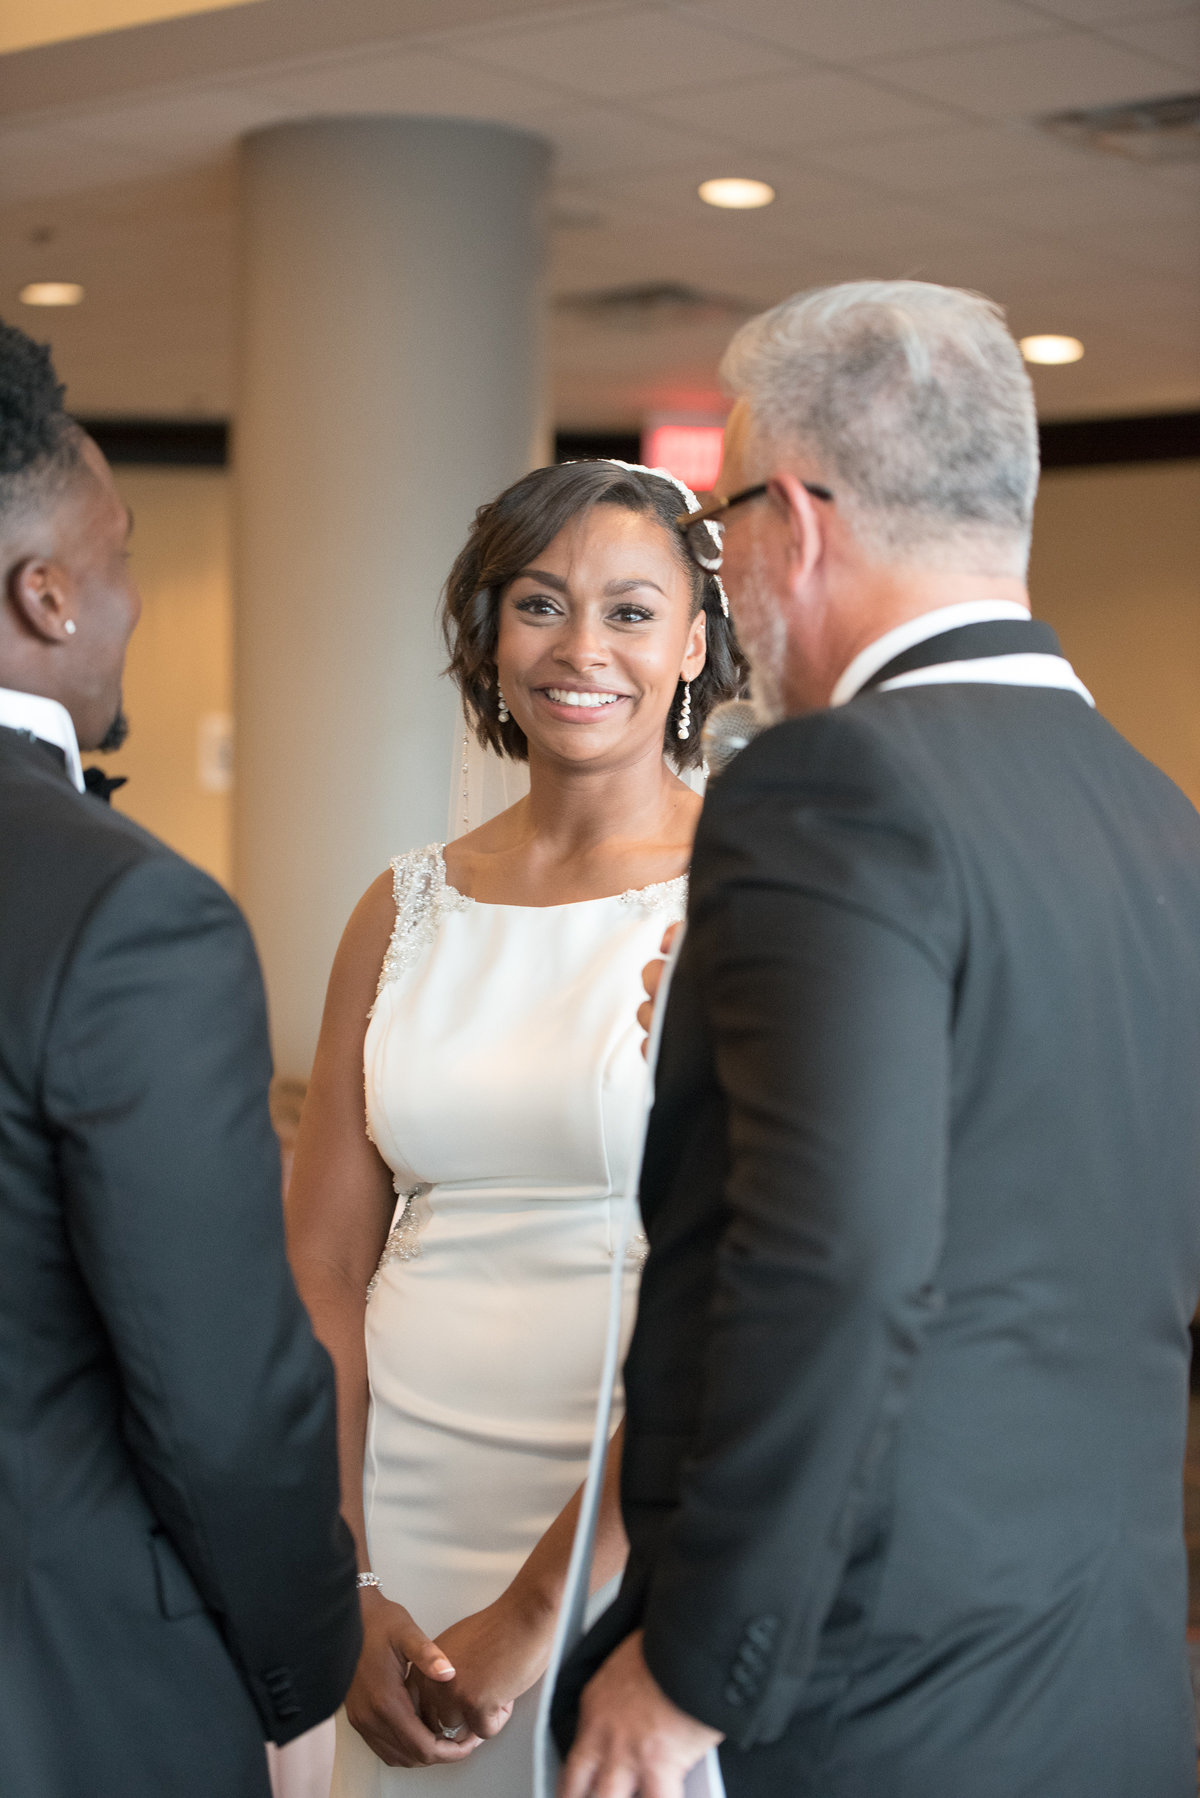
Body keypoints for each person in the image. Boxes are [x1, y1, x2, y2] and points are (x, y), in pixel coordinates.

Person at [554, 279, 1200, 1798]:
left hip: (861, 1697)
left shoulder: (828, 785)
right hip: (1107, 1680)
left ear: (791, 519)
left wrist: (697, 1666)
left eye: (720, 528)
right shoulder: (1157, 819)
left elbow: (831, 1262)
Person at [284, 458, 744, 1796]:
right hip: (399, 1506)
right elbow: (323, 1266)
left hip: (630, 1503)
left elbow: (752, 1286)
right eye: (540, 603)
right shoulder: (402, 907)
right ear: (489, 635)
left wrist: (544, 1608)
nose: (582, 647)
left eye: (631, 611)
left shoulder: (745, 897)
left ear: (693, 644)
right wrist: (343, 1569)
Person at [0, 319, 362, 1798]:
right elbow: (219, 1389)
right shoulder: (128, 913)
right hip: (66, 1693)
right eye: (124, 555)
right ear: (45, 593)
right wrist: (305, 1668)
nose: (135, 598)